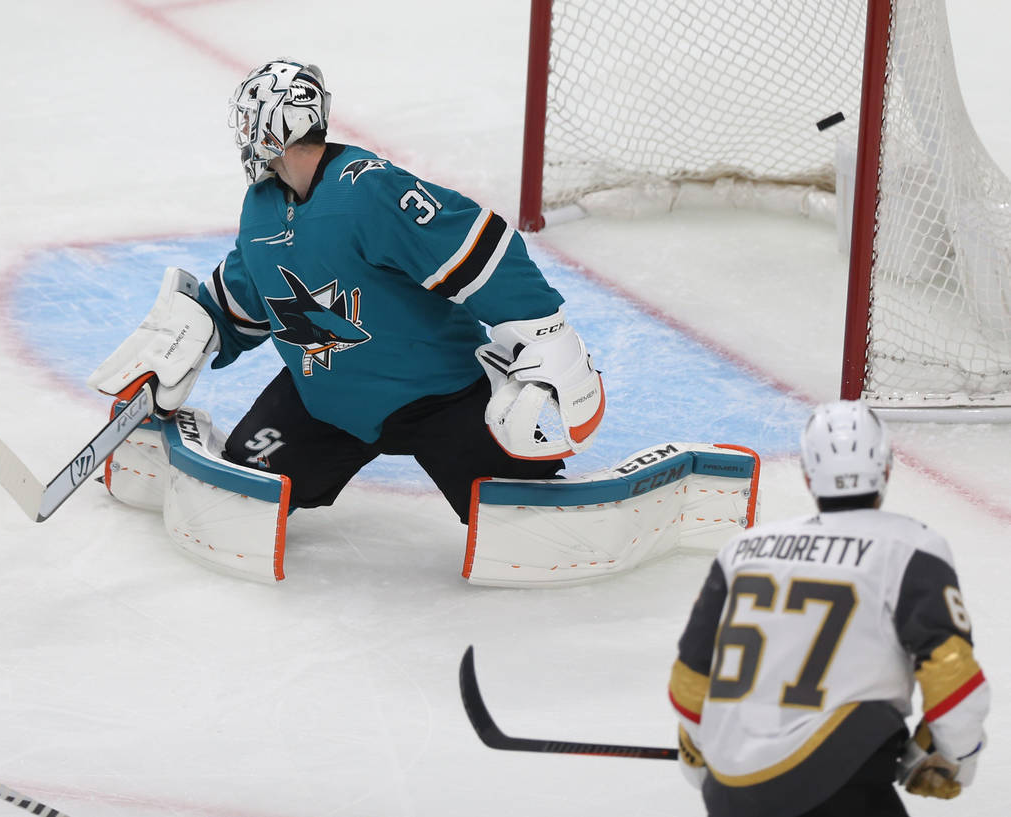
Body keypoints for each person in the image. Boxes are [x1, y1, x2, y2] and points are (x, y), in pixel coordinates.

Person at [89, 58, 605, 526]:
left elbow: (477, 247)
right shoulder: (261, 208)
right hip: (324, 402)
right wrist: (186, 340)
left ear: (276, 128)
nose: (244, 135)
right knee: (243, 491)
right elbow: (245, 294)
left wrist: (545, 330)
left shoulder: (369, 191)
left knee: (520, 518)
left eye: (251, 121)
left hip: (439, 396)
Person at [667, 400, 988, 817]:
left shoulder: (741, 551)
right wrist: (952, 761)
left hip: (731, 793)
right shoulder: (912, 547)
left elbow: (689, 679)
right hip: (840, 787)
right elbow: (953, 677)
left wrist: (706, 763)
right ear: (887, 468)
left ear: (807, 474)